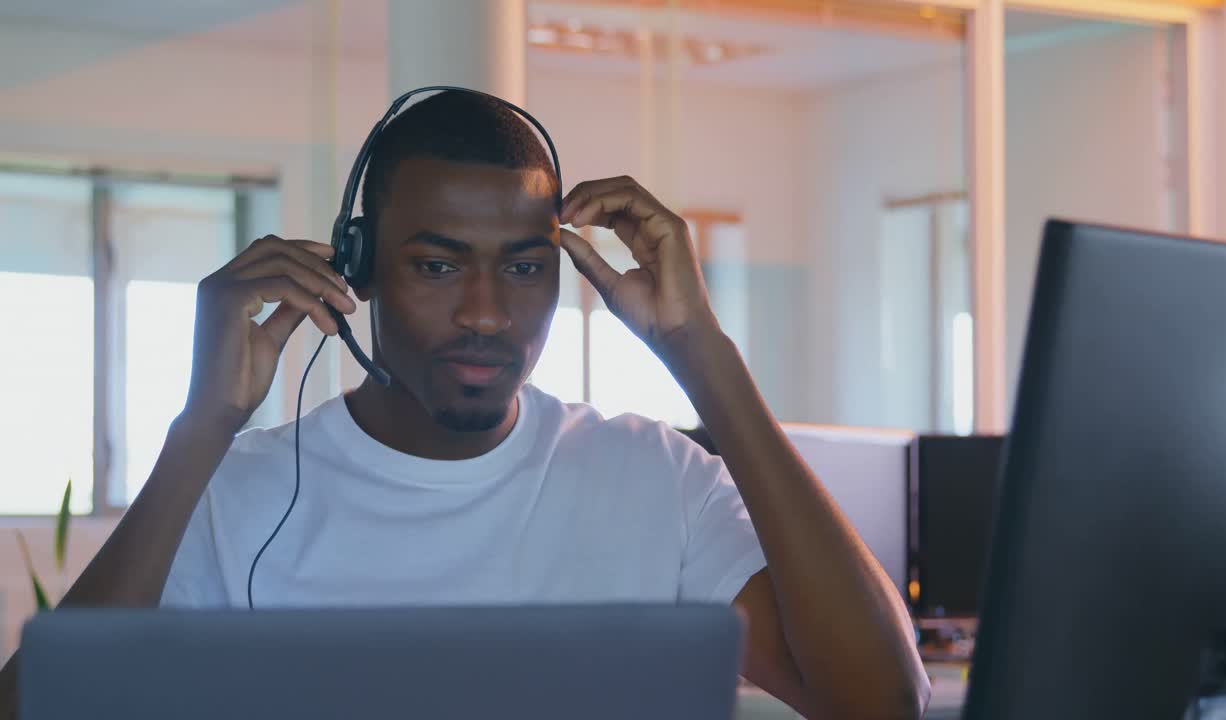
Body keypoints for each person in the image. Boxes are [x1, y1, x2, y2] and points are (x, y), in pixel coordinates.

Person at [0, 91, 927, 719]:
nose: (487, 313)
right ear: (357, 269)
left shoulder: (658, 477)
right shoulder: (232, 493)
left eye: (523, 268)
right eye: (438, 265)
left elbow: (881, 702)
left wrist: (703, 354)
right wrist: (200, 429)